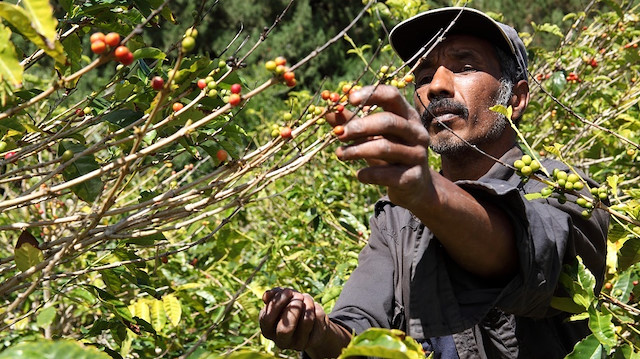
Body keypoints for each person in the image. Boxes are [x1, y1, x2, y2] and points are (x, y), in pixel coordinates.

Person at [259, 7, 608, 359]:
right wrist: (317, 333)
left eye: (465, 66)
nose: (436, 86)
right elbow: (361, 332)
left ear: (515, 99)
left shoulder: (563, 190)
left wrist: (427, 192)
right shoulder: (397, 220)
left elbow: (529, 254)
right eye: (424, 75)